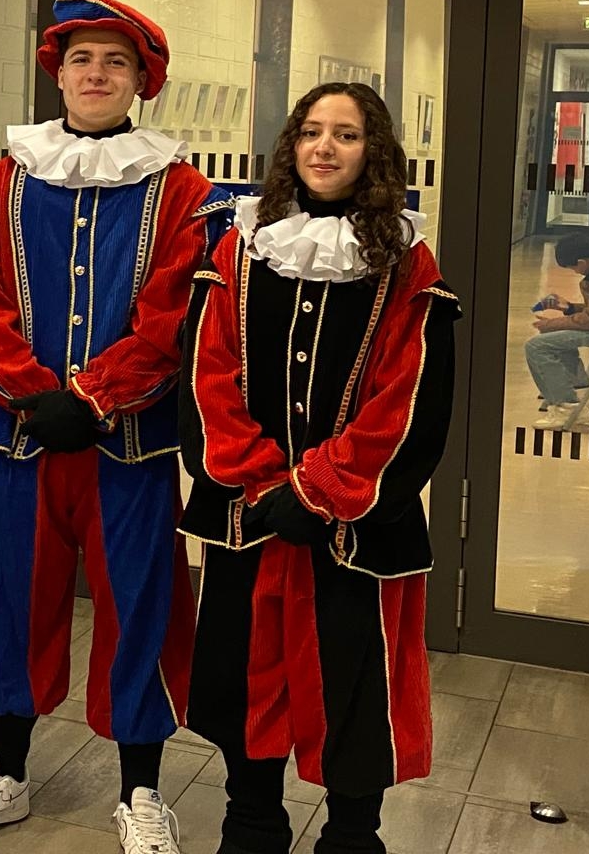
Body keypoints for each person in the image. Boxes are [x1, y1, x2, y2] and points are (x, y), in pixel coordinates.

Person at [0, 0, 230, 853]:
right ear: (56, 73)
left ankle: (141, 792)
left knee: (140, 607)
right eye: (80, 60)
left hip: (130, 444)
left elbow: (175, 313)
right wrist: (33, 395)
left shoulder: (183, 191)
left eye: (115, 62)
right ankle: (5, 772)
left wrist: (96, 397)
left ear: (143, 80)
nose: (95, 75)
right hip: (20, 438)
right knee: (10, 606)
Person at [179, 82, 459, 854]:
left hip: (358, 523)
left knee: (354, 681)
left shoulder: (407, 261)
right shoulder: (243, 244)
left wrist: (322, 490)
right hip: (252, 511)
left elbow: (408, 398)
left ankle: (351, 834)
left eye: (345, 134)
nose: (324, 147)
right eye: (310, 132)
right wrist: (266, 484)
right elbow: (208, 373)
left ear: (375, 151)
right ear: (290, 146)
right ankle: (253, 821)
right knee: (246, 675)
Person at [525, 231, 589, 427]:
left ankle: (566, 407)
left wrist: (550, 324)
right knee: (555, 339)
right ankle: (584, 392)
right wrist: (569, 308)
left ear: (580, 263)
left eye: (572, 268)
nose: (575, 272)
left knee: (537, 346)